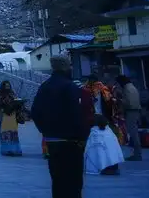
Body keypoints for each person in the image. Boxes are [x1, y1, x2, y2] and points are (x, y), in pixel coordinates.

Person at [32, 55, 88, 198]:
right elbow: (78, 113)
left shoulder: (45, 86)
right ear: (65, 66)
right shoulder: (70, 86)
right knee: (73, 182)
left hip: (52, 141)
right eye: (70, 65)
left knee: (57, 181)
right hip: (71, 142)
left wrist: (46, 131)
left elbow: (35, 112)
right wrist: (82, 136)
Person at [0, 80, 24, 156]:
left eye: (8, 86)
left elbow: (16, 103)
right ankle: (6, 150)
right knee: (5, 134)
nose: (7, 87)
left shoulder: (12, 94)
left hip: (12, 117)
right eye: (5, 86)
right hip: (4, 116)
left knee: (13, 134)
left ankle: (15, 149)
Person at [117, 75, 143, 161]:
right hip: (135, 111)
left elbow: (129, 102)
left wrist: (120, 101)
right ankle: (137, 153)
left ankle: (137, 154)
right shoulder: (131, 87)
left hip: (131, 111)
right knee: (134, 132)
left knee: (133, 133)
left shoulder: (127, 89)